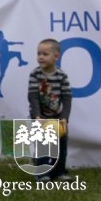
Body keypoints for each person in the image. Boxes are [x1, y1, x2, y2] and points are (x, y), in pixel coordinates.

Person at [28, 38, 72, 182]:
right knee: (42, 144)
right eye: (39, 53)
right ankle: (42, 173)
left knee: (61, 145)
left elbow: (67, 98)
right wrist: (37, 116)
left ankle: (60, 172)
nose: (40, 57)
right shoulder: (35, 74)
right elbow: (33, 96)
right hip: (40, 117)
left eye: (45, 54)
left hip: (58, 116)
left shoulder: (62, 76)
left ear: (56, 56)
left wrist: (64, 117)